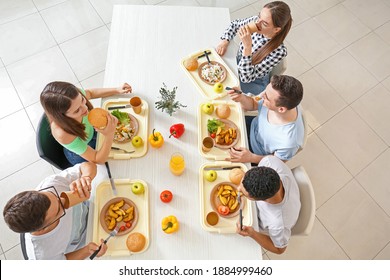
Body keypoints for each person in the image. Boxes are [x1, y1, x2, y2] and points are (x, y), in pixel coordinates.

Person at [3, 162, 107, 260]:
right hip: (87, 240)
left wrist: (86, 177)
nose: (63, 199)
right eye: (59, 210)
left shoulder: (49, 185)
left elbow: (87, 166)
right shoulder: (41, 254)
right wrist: (87, 250)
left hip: (94, 207)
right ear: (42, 229)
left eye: (55, 196)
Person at [40, 81, 132, 165]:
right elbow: (97, 159)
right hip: (82, 153)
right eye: (76, 111)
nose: (85, 109)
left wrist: (116, 90)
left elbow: (91, 93)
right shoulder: (62, 134)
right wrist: (109, 135)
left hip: (92, 133)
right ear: (62, 116)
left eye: (82, 100)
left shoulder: (72, 97)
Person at [216, 1, 292, 94]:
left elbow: (246, 78)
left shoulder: (278, 52)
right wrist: (225, 41)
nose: (257, 22)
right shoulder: (257, 20)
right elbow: (235, 24)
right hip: (238, 64)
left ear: (276, 29)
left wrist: (248, 47)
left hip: (253, 81)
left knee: (222, 90)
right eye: (259, 16)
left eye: (264, 23)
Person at [228, 74, 304, 164]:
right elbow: (253, 104)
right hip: (251, 126)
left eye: (266, 97)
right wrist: (242, 98)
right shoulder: (273, 95)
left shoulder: (289, 142)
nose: (262, 95)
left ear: (281, 109)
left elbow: (276, 162)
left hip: (254, 153)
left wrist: (251, 157)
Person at [236, 156, 300, 254]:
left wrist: (252, 233)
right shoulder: (269, 162)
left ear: (261, 200)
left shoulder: (278, 224)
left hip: (259, 224)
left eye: (244, 193)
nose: (238, 189)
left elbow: (279, 249)